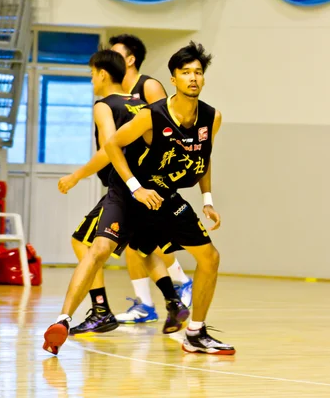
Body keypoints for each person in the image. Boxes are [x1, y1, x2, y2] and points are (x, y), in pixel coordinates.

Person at [43, 49, 188, 355]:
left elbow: (110, 146)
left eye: (92, 73)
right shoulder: (139, 104)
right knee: (141, 247)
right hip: (150, 187)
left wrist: (76, 176)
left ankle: (98, 311)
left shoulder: (104, 106)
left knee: (84, 244)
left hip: (124, 190)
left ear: (102, 74)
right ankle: (174, 303)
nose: (91, 79)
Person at [105, 41, 235, 355]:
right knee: (101, 249)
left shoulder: (211, 117)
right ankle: (80, 315)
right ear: (173, 79)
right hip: (138, 194)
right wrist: (135, 186)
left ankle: (194, 330)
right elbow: (112, 145)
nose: (193, 78)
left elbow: (204, 158)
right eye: (185, 72)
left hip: (168, 196)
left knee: (208, 259)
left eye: (198, 72)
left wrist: (208, 199)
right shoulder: (153, 115)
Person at [109, 34, 193, 321]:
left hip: (150, 177)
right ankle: (145, 305)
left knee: (146, 240)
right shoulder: (115, 93)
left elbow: (168, 125)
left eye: (116, 53)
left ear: (130, 59)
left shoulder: (149, 86)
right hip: (126, 174)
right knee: (134, 246)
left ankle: (180, 280)